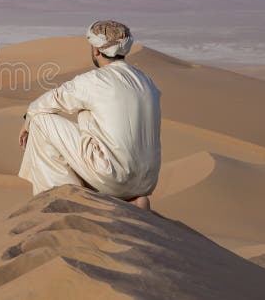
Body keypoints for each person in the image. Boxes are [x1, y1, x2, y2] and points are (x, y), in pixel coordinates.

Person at [17, 20, 160, 209]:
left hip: (112, 176)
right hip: (146, 182)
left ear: (96, 50)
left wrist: (28, 120)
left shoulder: (95, 80)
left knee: (40, 121)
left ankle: (67, 200)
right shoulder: (147, 82)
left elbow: (51, 100)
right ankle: (128, 200)